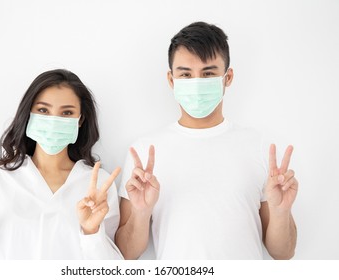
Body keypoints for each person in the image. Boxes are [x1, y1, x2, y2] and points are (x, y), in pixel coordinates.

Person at [115, 22, 298, 260]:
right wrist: (141, 213)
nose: (196, 83)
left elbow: (283, 253)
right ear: (171, 80)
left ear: (228, 77)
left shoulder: (260, 147)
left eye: (208, 73)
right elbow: (126, 254)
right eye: (185, 74)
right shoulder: (144, 152)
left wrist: (281, 211)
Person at [0, 69, 123, 259]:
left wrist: (91, 232)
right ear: (29, 114)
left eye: (67, 112)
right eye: (43, 110)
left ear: (80, 120)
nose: (53, 122)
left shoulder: (99, 184)